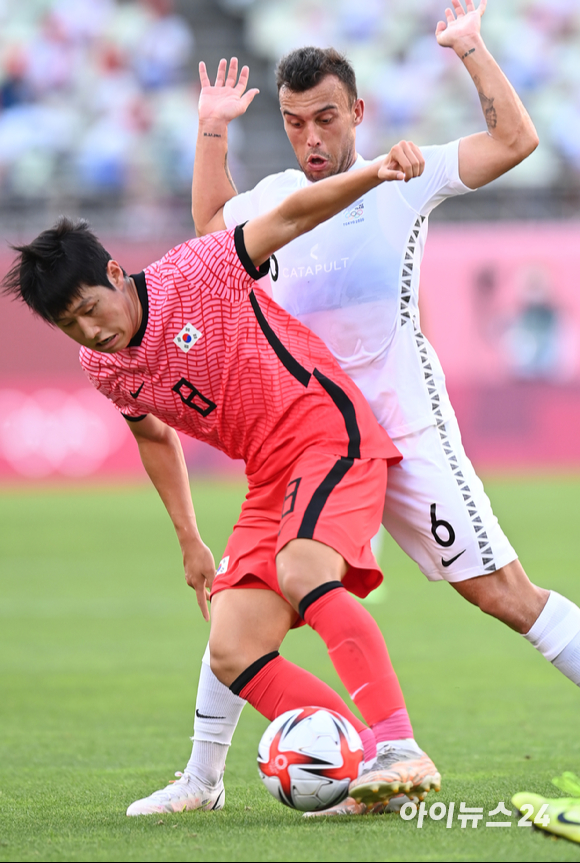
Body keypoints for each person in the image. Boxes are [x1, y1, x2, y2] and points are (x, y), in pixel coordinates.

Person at [132, 0, 580, 818]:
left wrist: (471, 49)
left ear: (358, 115)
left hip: (405, 431)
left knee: (503, 595)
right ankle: (201, 778)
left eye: (326, 119)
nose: (311, 138)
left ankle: (377, 742)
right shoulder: (272, 198)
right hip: (310, 442)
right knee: (247, 594)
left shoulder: (402, 175)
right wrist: (212, 128)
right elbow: (208, 226)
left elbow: (516, 143)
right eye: (297, 121)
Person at [3, 150, 442, 816]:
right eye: (70, 325)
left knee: (302, 568)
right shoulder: (103, 364)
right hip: (269, 471)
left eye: (91, 308)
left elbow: (289, 215)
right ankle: (337, 767)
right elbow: (153, 433)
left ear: (116, 274)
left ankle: (399, 747)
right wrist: (190, 539)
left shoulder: (196, 269)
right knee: (233, 646)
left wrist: (371, 174)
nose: (91, 329)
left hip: (326, 429)